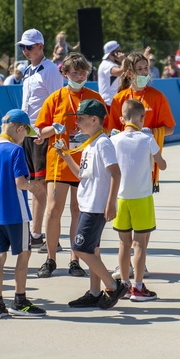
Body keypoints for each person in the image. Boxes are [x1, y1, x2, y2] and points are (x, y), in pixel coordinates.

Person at [34, 52, 107, 278]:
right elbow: (40, 131)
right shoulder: (56, 98)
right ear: (64, 74)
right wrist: (54, 128)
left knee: (79, 210)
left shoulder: (95, 98)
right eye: (74, 72)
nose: (79, 75)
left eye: (83, 71)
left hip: (87, 163)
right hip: (60, 162)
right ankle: (51, 258)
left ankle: (76, 259)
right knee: (54, 209)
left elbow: (105, 128)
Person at [55, 99, 129, 310]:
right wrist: (64, 156)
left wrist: (111, 203)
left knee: (80, 248)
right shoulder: (90, 143)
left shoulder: (103, 143)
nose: (77, 123)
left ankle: (113, 286)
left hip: (95, 205)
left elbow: (115, 172)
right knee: (92, 249)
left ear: (95, 120)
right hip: (88, 203)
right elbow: (81, 174)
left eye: (81, 119)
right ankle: (95, 292)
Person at [108, 50, 175, 279]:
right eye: (140, 70)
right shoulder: (120, 99)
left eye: (147, 69)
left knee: (142, 223)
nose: (145, 73)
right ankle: (124, 265)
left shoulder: (157, 97)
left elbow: (169, 127)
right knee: (124, 226)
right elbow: (110, 129)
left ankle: (139, 261)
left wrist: (151, 132)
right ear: (129, 73)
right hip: (124, 172)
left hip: (147, 168)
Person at [0, 109, 48, 319]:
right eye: (24, 134)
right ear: (20, 129)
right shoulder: (15, 151)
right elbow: (20, 182)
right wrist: (34, 187)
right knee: (23, 254)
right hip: (16, 213)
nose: (23, 139)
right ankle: (20, 299)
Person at [110, 99, 167, 301]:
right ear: (143, 118)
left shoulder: (115, 140)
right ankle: (138, 286)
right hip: (142, 197)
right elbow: (162, 164)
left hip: (121, 197)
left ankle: (124, 284)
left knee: (123, 243)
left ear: (121, 119)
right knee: (140, 244)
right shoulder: (147, 139)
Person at [18, 29, 65, 250]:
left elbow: (59, 104)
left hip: (42, 132)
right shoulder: (28, 70)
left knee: (42, 184)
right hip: (28, 132)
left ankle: (42, 232)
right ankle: (37, 232)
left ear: (40, 47)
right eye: (23, 47)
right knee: (34, 184)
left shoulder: (51, 71)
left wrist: (46, 133)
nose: (25, 50)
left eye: (29, 46)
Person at [97, 40, 124, 105]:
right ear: (114, 53)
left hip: (112, 102)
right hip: (109, 102)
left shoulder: (111, 64)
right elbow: (120, 72)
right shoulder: (106, 64)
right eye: (119, 51)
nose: (121, 53)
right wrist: (123, 60)